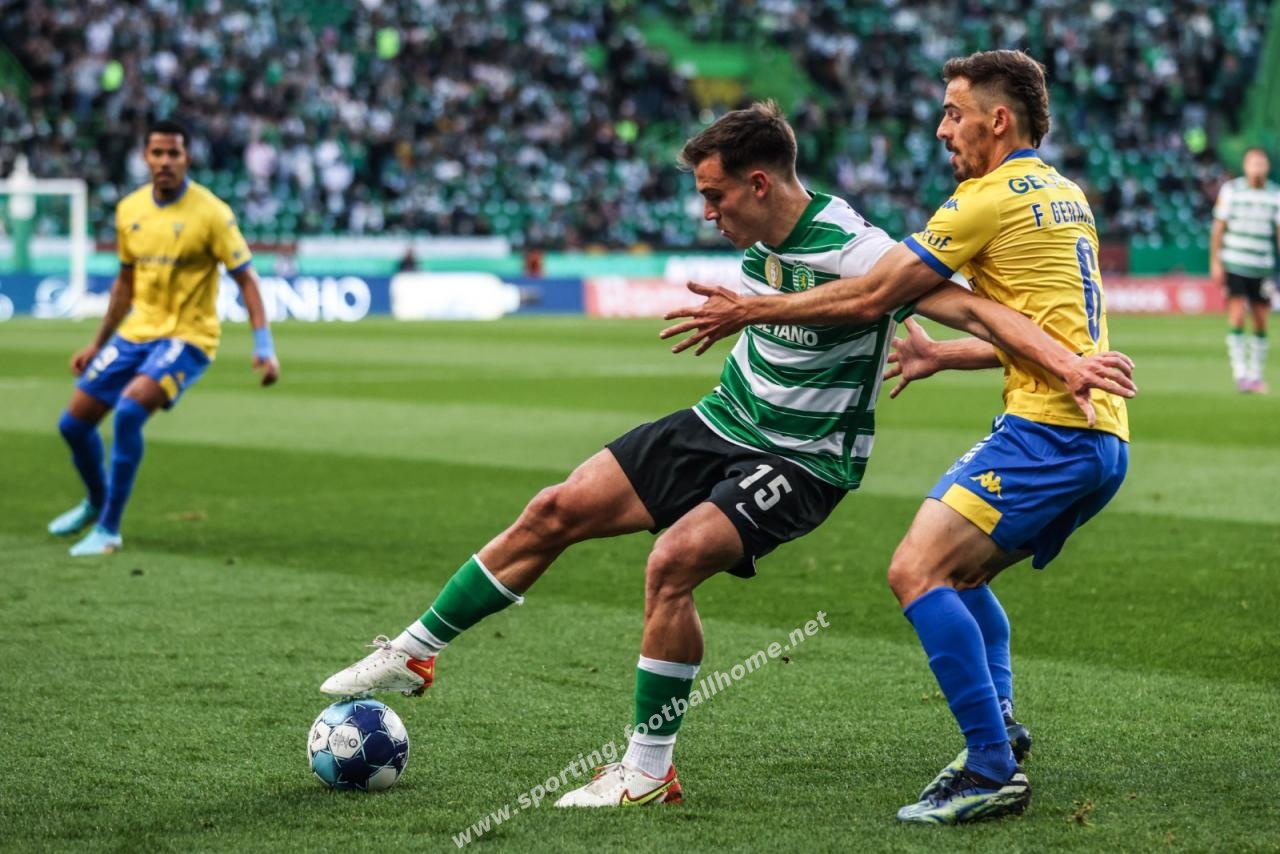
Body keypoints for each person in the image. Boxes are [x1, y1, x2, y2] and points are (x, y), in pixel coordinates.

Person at [320, 100, 1133, 809]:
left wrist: (1066, 363)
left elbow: (977, 310)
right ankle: (414, 654)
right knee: (555, 508)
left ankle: (646, 773)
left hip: (804, 460)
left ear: (760, 184)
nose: (706, 212)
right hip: (724, 421)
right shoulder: (761, 234)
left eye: (715, 195)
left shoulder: (855, 247)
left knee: (672, 562)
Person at [661, 50, 1134, 824]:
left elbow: (874, 294)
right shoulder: (1064, 195)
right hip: (1096, 434)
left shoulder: (981, 201)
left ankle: (989, 768)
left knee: (917, 571)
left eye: (954, 112)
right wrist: (946, 354)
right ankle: (1000, 731)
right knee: (962, 575)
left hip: (1051, 431)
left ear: (998, 120)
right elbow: (1042, 331)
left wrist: (750, 310)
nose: (943, 129)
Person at [47, 119, 280, 556]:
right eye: (157, 153)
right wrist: (98, 343)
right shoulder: (130, 210)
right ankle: (96, 502)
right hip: (136, 333)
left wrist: (264, 344)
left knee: (129, 411)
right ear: (146, 158)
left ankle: (109, 529)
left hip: (189, 337)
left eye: (174, 153)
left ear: (187, 158)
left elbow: (247, 279)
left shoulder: (212, 213)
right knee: (73, 425)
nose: (165, 161)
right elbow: (124, 284)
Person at [1210, 147, 1279, 394]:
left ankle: (1256, 374)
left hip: (1262, 266)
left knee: (1261, 320)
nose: (1257, 168)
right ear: (1245, 166)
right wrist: (1216, 261)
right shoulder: (1231, 191)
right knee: (1237, 315)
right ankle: (1241, 374)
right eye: (1253, 163)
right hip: (1235, 263)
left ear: (1267, 167)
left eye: (1261, 163)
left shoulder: (1275, 195)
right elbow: (1218, 228)